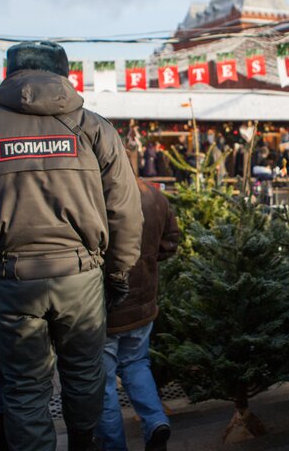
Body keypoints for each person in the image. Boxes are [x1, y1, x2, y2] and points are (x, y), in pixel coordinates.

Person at [0, 41, 143, 451]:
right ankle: (84, 442)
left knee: (25, 389)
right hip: (81, 279)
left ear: (10, 74)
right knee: (84, 375)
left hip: (12, 282)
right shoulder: (94, 128)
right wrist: (118, 274)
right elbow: (125, 211)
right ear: (62, 75)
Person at [95, 154, 179, 451]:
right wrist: (148, 262)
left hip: (105, 310)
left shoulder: (96, 199)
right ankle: (156, 421)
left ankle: (114, 446)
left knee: (102, 383)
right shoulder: (153, 195)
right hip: (143, 305)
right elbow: (171, 242)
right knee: (136, 363)